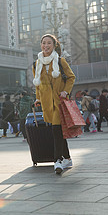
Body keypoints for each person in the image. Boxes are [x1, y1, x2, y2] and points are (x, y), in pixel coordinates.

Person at [33, 34, 75, 174]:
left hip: (59, 102)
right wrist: (38, 98)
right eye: (43, 43)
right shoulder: (37, 64)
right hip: (46, 104)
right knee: (58, 131)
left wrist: (65, 91)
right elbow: (37, 85)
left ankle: (58, 160)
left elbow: (71, 77)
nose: (46, 46)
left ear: (54, 45)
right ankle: (67, 158)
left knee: (56, 130)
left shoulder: (60, 61)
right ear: (41, 45)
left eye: (49, 43)